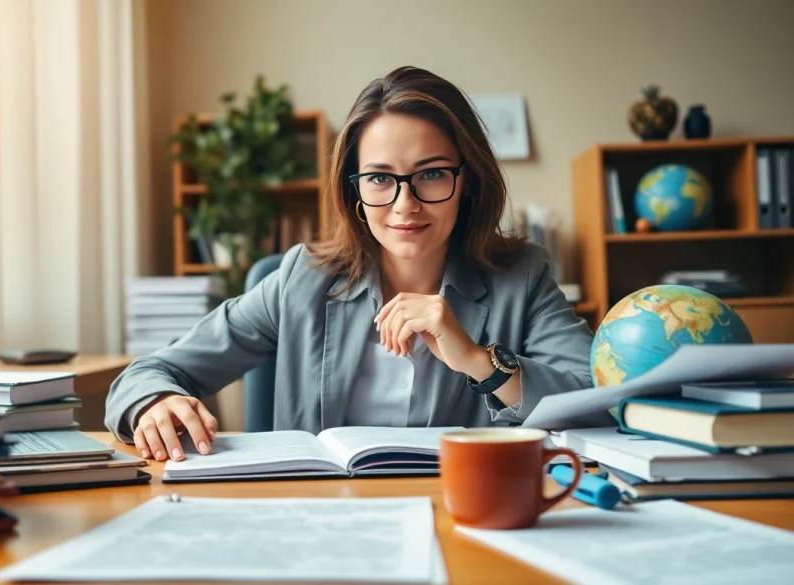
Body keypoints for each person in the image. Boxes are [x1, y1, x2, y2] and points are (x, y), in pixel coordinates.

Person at [106, 65, 594, 462]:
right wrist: (155, 401)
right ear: (353, 189)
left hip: (459, 517)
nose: (406, 204)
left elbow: (593, 400)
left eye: (431, 174)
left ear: (468, 183)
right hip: (322, 520)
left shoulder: (522, 276)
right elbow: (149, 372)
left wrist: (475, 359)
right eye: (380, 179)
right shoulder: (302, 280)